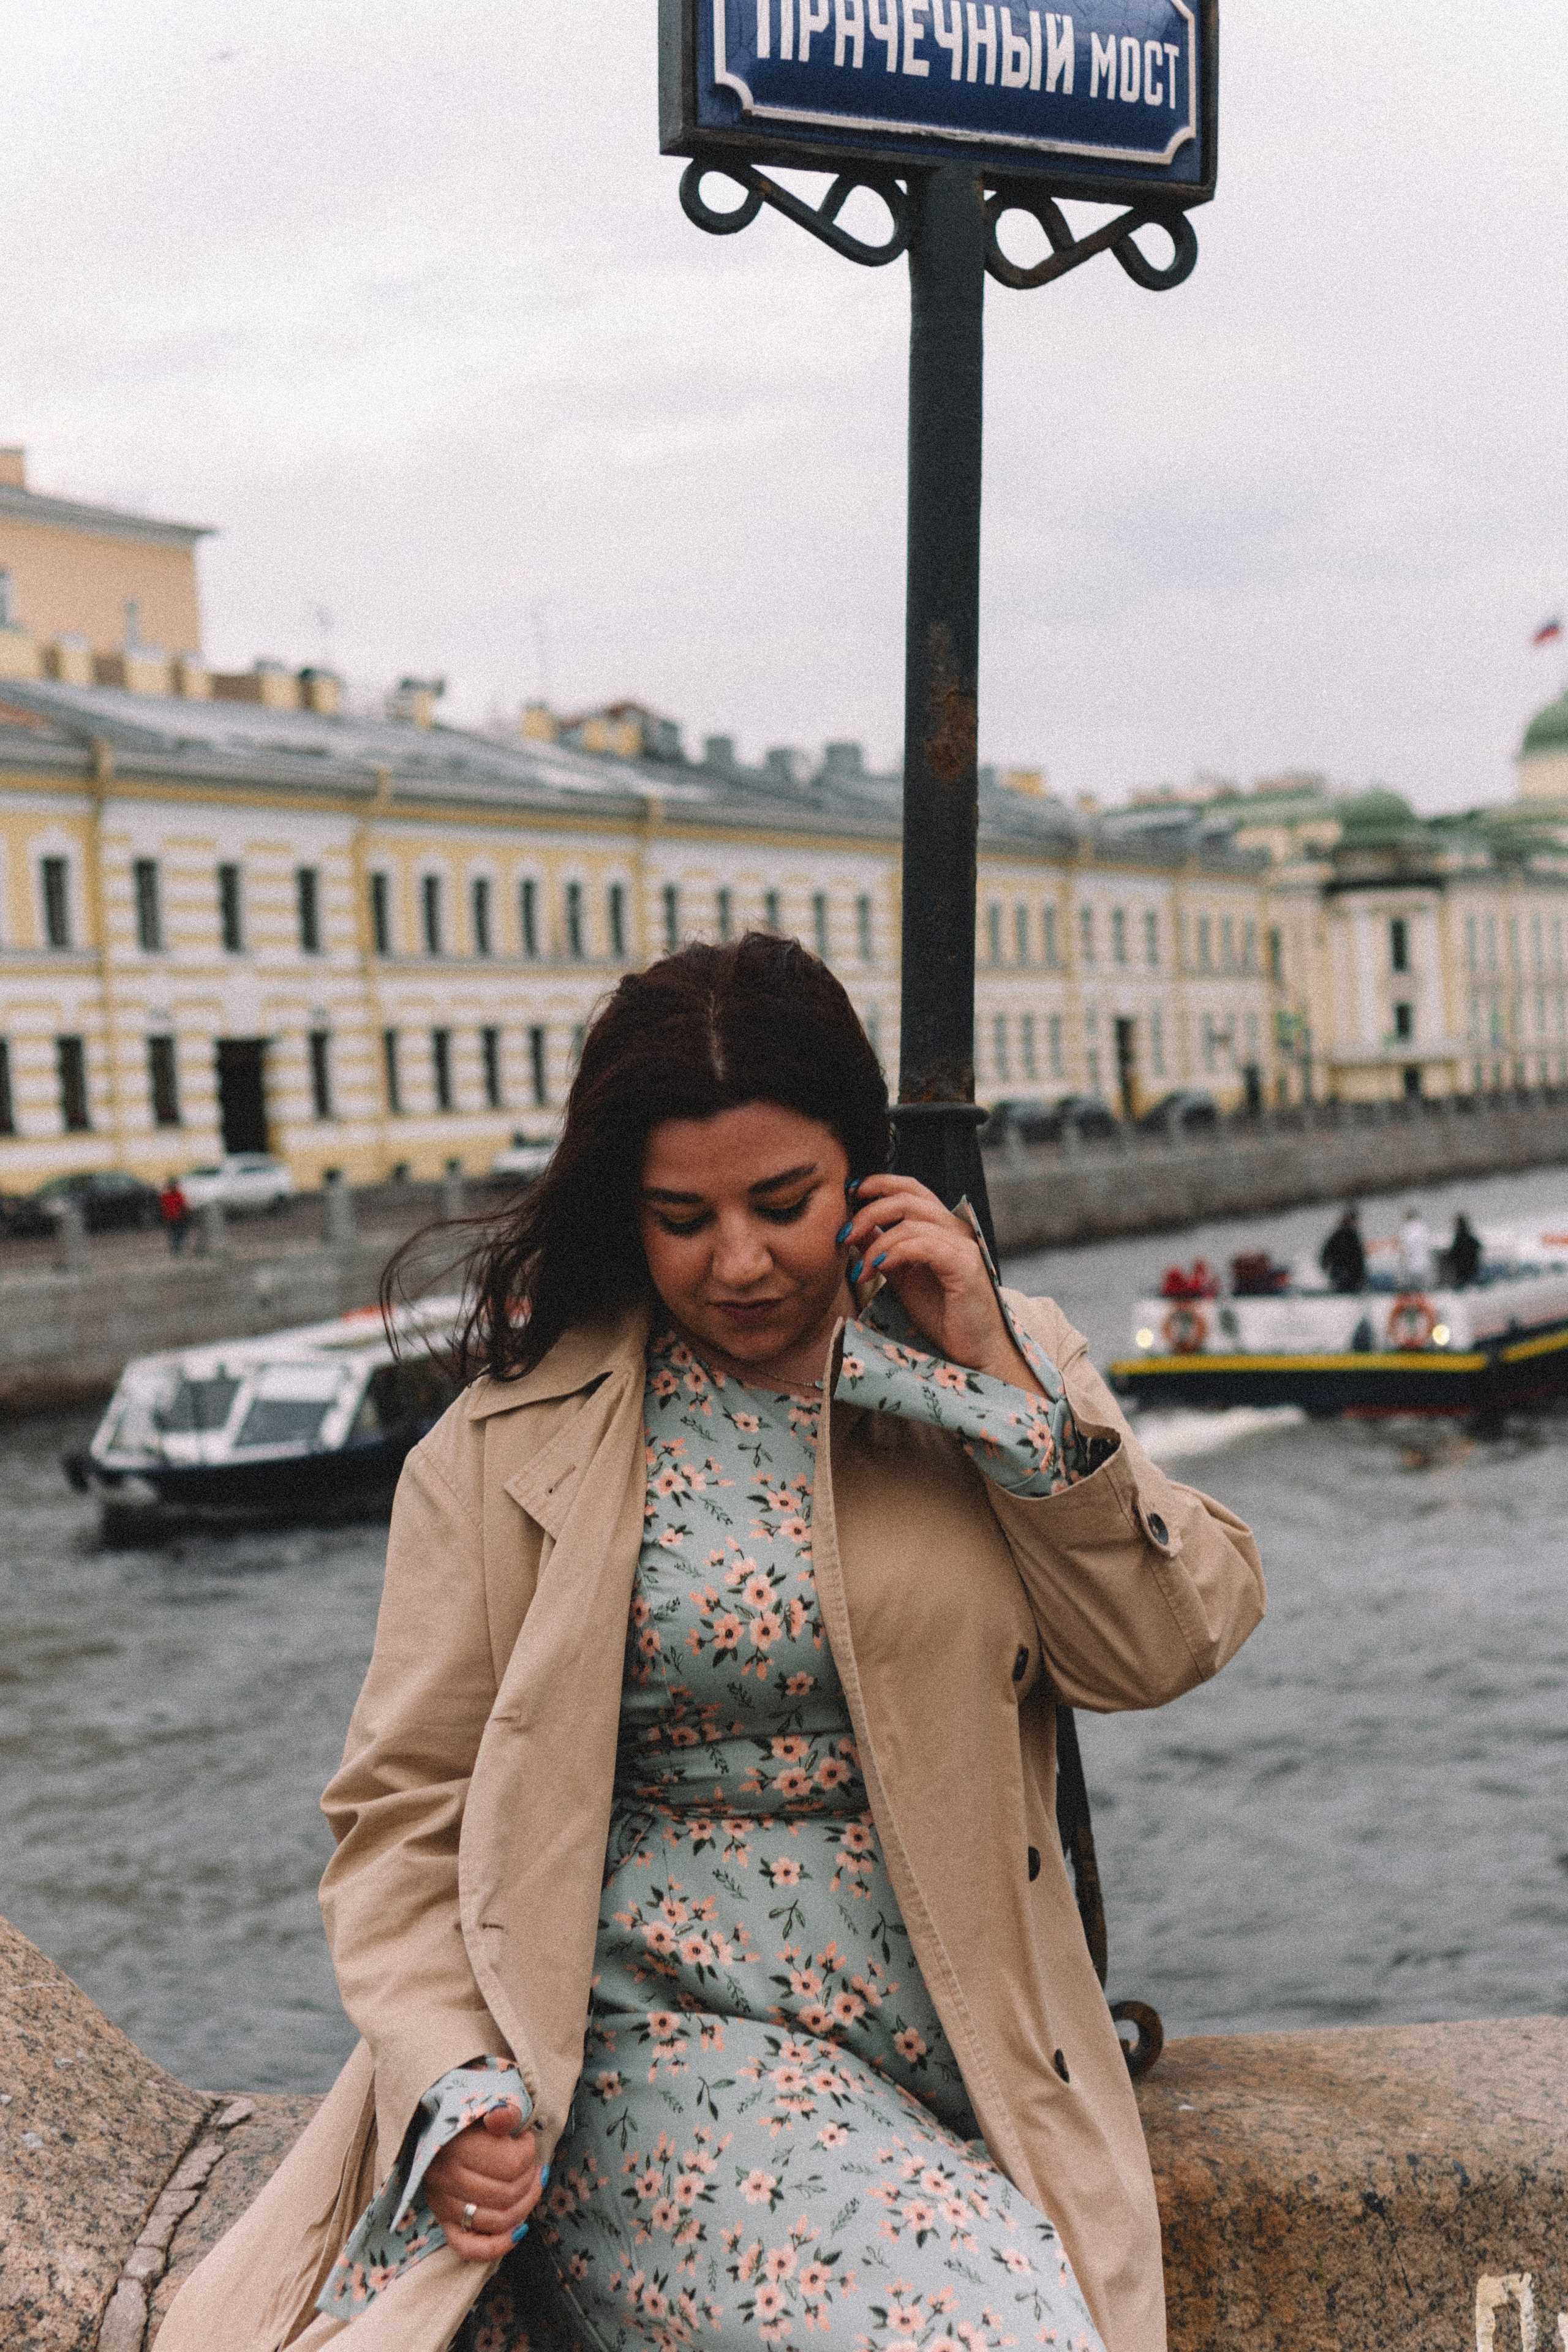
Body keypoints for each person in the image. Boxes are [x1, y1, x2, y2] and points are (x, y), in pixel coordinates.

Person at [161, 935, 1265, 2352]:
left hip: (975, 2026)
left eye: (783, 1202)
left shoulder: (992, 1361)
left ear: (866, 1177)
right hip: (655, 2032)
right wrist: (450, 2080)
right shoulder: (508, 1442)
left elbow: (1157, 1648)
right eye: (680, 1216)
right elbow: (401, 1813)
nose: (735, 1259)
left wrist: (991, 1371)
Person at [1319, 1204, 1365, 1294]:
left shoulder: (1336, 1234)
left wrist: (1325, 1266)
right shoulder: (1352, 1235)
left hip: (1338, 1272)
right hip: (1349, 1274)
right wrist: (1362, 1277)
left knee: (1339, 1294)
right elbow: (1358, 1257)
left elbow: (1325, 1254)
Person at [1398, 1204, 1434, 1287]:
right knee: (1423, 1288)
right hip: (1425, 1265)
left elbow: (1405, 1249)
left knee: (1413, 1288)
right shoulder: (1424, 1228)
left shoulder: (1406, 1229)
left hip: (1411, 1266)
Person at [1447, 1212, 1482, 1289]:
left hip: (1462, 1269)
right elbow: (1479, 1246)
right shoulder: (1469, 1236)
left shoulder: (1459, 1237)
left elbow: (1453, 1253)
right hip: (1473, 1267)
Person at [158, 1174, 191, 1254]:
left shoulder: (166, 1196)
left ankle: (175, 1247)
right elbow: (184, 1206)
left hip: (170, 1218)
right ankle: (177, 1247)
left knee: (174, 1234)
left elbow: (162, 1207)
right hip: (179, 1217)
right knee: (180, 1233)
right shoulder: (178, 1195)